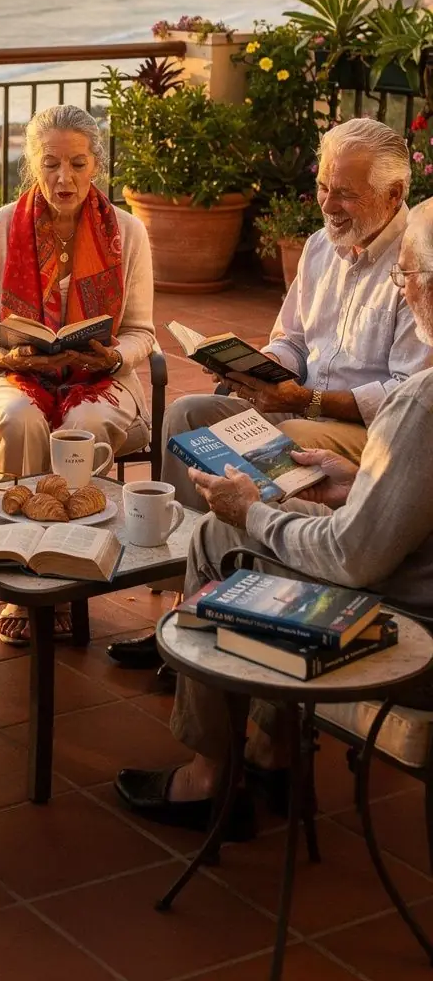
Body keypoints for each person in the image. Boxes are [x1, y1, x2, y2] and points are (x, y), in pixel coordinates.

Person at [115, 196, 433, 840]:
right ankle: (271, 748)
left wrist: (255, 512)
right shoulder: (319, 249)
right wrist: (358, 484)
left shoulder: (420, 403)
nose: (329, 201)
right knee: (208, 429)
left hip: (411, 631)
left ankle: (211, 776)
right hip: (397, 543)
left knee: (222, 534)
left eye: (407, 276)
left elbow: (353, 559)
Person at [109, 116, 431, 670]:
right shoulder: (318, 248)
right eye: (324, 187)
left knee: (289, 436)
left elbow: (404, 394)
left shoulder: (418, 262)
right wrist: (259, 370)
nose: (328, 204)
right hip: (298, 402)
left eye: (346, 194)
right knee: (192, 413)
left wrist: (299, 400)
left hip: (365, 430)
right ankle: (188, 596)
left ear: (393, 194)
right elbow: (292, 340)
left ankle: (259, 595)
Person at [0, 103, 156, 641]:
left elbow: (142, 332)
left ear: (97, 167)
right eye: (51, 164)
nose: (64, 178)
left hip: (101, 377)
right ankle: (19, 574)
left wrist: (112, 358)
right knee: (20, 418)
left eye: (78, 164)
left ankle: (68, 569)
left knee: (79, 427)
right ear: (32, 165)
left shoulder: (129, 234)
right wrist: (3, 358)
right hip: (7, 374)